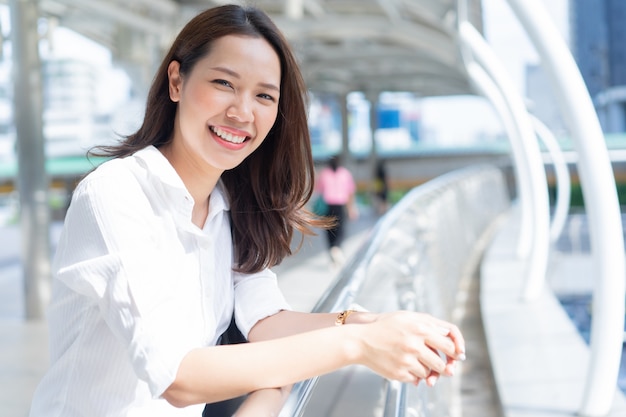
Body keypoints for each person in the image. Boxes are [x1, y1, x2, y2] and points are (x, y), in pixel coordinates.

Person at [29, 5, 466, 417]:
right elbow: (176, 376)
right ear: (176, 81)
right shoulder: (116, 194)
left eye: (264, 96)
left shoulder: (227, 205)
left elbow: (266, 321)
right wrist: (359, 344)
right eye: (224, 84)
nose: (242, 112)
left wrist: (369, 320)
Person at [315, 154, 358, 266]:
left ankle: (332, 250)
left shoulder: (324, 174)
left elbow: (318, 190)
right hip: (340, 205)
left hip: (328, 206)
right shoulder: (345, 173)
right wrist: (351, 208)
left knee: (329, 230)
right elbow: (350, 193)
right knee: (341, 229)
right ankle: (337, 248)